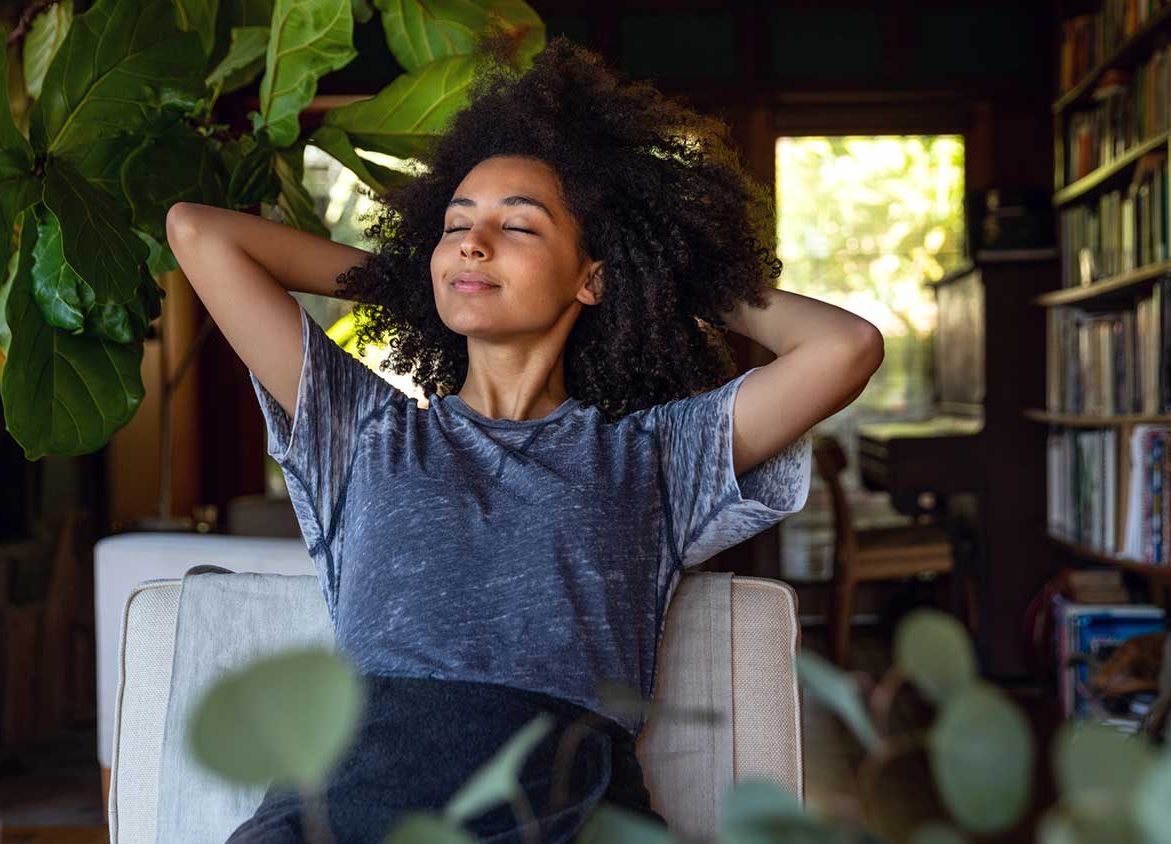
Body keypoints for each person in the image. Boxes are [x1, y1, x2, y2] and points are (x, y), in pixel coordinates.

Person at [166, 35, 883, 844]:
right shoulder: (364, 431)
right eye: (455, 225)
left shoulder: (654, 457)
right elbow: (198, 233)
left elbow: (846, 349)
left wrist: (672, 274)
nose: (474, 242)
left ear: (593, 276)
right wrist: (410, 280)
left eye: (520, 227)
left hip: (559, 814)